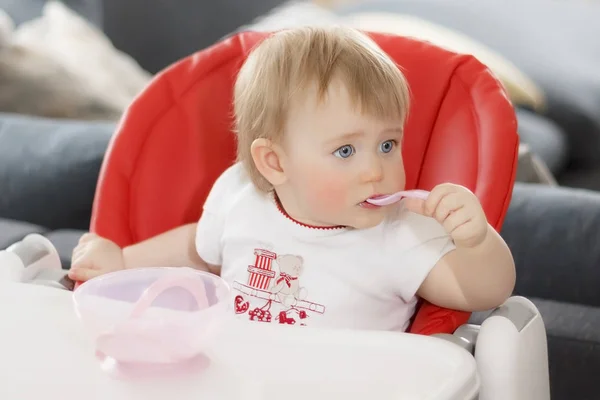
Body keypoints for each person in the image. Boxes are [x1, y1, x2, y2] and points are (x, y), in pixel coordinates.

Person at [68, 26, 515, 331]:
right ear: (274, 164)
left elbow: (482, 291)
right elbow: (198, 249)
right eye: (345, 150)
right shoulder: (240, 195)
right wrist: (122, 263)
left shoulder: (400, 234)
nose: (376, 170)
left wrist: (477, 243)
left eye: (388, 144)